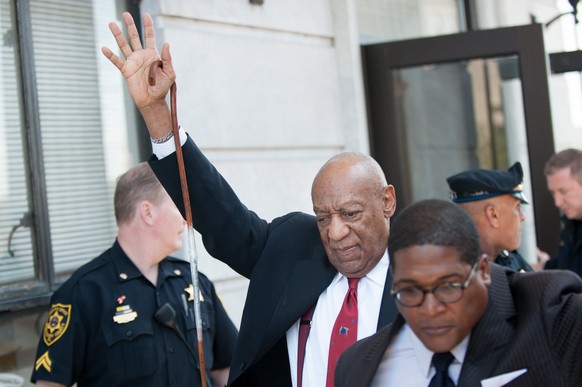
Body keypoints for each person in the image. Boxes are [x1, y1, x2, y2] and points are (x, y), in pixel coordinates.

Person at [101, 12, 399, 387]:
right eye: (322, 217)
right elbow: (220, 216)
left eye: (350, 213)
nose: (335, 232)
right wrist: (157, 114)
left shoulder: (422, 272)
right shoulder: (294, 247)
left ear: (387, 201)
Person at [30, 163, 238, 387]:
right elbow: (50, 384)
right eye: (178, 206)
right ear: (147, 212)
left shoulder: (196, 283)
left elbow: (226, 368)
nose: (186, 219)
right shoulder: (83, 293)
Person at [335, 199, 582, 386]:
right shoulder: (357, 366)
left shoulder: (556, 315)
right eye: (410, 291)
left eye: (448, 287)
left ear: (483, 270)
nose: (430, 309)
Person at [446, 162, 533, 272]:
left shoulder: (508, 258)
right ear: (493, 215)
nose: (523, 217)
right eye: (517, 207)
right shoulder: (457, 272)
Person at [543, 148, 582, 276]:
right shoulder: (572, 222)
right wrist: (544, 267)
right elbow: (569, 268)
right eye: (553, 193)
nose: (557, 202)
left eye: (563, 191)